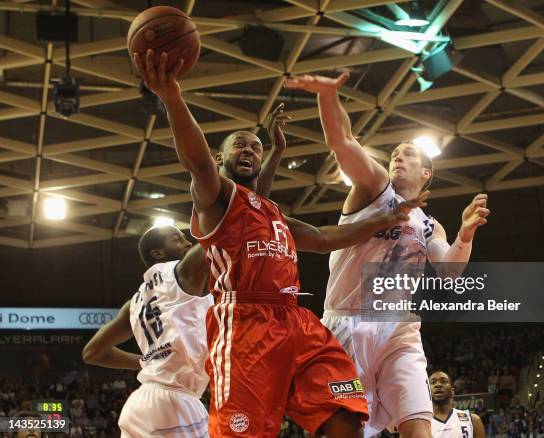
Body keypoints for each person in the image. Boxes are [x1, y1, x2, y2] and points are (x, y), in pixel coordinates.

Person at [133, 49, 424, 438]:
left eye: (256, 146)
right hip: (244, 325)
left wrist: (384, 218)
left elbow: (323, 239)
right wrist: (172, 98)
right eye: (240, 145)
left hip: (296, 321)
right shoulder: (215, 200)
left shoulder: (271, 213)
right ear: (222, 157)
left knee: (346, 416)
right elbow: (198, 162)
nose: (250, 150)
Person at [285, 72, 490, 438]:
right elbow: (343, 140)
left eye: (407, 153)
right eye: (394, 153)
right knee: (346, 431)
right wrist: (328, 96)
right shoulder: (375, 190)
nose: (398, 156)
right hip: (348, 323)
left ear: (426, 172)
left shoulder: (430, 225)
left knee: (418, 427)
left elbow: (449, 271)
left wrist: (466, 235)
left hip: (400, 330)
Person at [81, 105, 289, 438]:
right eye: (178, 238)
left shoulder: (135, 302)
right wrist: (276, 154)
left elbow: (93, 352)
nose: (188, 237)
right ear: (159, 253)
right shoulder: (186, 272)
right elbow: (244, 217)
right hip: (175, 402)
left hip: (140, 403)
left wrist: (148, 363)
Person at [429, 371, 485, 438]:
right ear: (428, 392)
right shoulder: (422, 425)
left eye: (443, 381)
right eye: (433, 382)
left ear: (452, 392)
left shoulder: (473, 420)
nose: (438, 385)